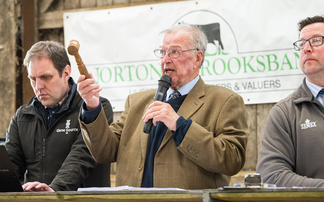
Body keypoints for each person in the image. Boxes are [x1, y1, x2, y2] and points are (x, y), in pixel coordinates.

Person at [77, 24, 248, 189]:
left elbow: (232, 160)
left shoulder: (224, 100)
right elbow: (104, 152)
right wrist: (92, 107)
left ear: (198, 58)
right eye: (162, 52)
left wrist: (180, 125)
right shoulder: (136, 101)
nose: (165, 59)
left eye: (174, 52)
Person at [5, 41, 113, 192]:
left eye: (46, 77)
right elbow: (9, 167)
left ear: (66, 73)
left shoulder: (95, 109)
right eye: (33, 79)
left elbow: (81, 158)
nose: (38, 86)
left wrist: (54, 190)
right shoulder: (23, 116)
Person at [256, 15, 324, 187]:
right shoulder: (285, 112)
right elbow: (272, 175)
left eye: (316, 40)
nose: (306, 48)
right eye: (302, 43)